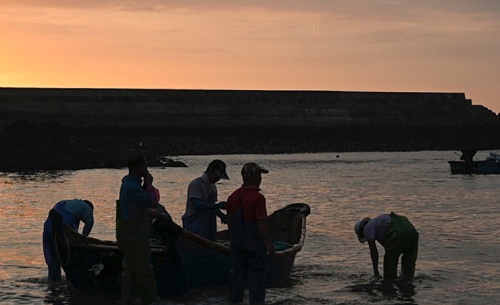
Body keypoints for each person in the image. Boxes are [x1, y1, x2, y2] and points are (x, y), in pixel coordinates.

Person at [226, 162, 275, 304]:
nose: (261, 178)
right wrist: (269, 245)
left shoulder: (232, 197)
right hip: (254, 244)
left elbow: (230, 222)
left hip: (237, 243)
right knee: (257, 276)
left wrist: (233, 240)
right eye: (259, 175)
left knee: (237, 275)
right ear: (254, 177)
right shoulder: (258, 198)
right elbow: (262, 224)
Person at [117, 153, 159, 305]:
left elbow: (141, 208)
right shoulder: (132, 187)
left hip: (130, 234)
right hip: (135, 235)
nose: (147, 169)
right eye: (144, 165)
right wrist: (149, 185)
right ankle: (150, 300)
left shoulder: (129, 185)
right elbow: (152, 201)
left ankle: (128, 299)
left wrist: (157, 215)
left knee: (129, 269)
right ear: (137, 167)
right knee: (144, 270)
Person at [354, 212, 419, 281]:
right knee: (408, 268)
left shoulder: (367, 229)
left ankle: (389, 287)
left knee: (389, 268)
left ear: (362, 231)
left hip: (397, 233)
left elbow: (374, 253)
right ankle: (408, 285)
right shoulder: (379, 222)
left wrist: (376, 273)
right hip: (412, 231)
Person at [42, 199, 94, 283]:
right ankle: (70, 282)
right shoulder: (87, 208)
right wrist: (84, 237)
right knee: (69, 258)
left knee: (52, 258)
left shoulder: (63, 202)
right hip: (63, 227)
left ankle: (53, 284)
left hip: (48, 226)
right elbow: (90, 222)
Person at [182, 159, 229, 241]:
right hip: (195, 223)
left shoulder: (213, 187)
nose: (218, 179)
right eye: (217, 176)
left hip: (208, 224)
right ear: (210, 170)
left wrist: (222, 216)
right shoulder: (196, 184)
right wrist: (217, 205)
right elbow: (197, 205)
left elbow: (212, 206)